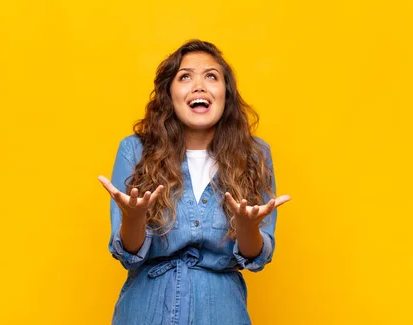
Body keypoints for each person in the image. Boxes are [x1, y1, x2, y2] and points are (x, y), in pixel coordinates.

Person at [98, 39, 290, 325]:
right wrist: (134, 218)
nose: (199, 86)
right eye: (185, 76)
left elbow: (255, 258)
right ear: (169, 94)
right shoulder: (134, 151)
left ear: (226, 93)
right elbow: (129, 254)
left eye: (211, 76)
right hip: (146, 312)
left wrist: (248, 228)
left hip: (222, 312)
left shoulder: (255, 155)